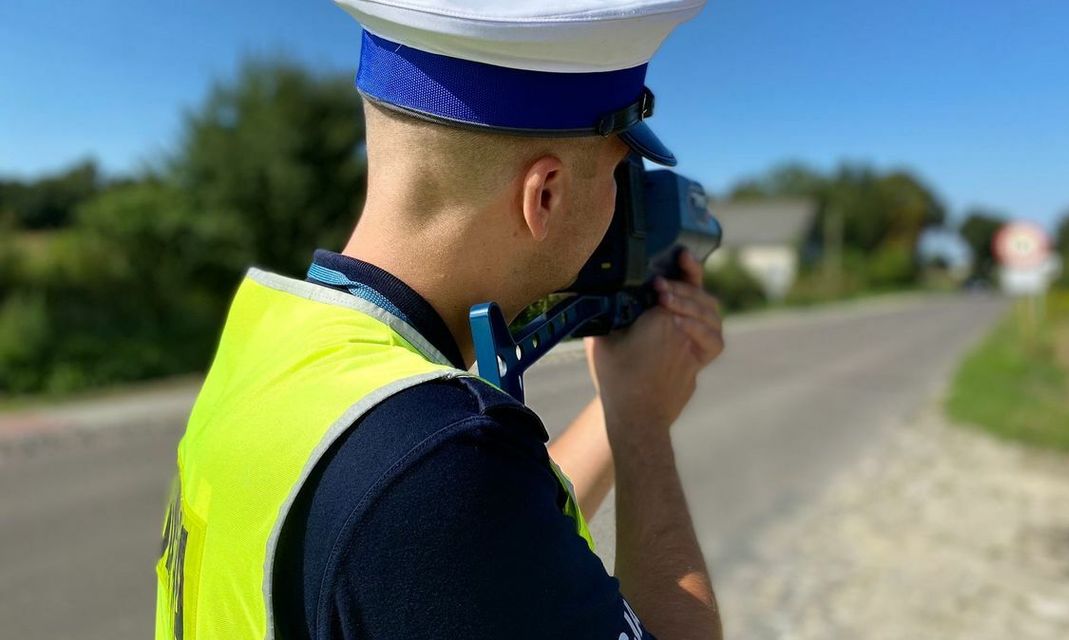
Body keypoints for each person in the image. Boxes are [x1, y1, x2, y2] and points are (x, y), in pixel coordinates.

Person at [155, 1, 723, 638]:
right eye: (621, 170)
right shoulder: (436, 466)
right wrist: (642, 424)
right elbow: (446, 505)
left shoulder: (279, 344)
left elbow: (486, 547)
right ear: (546, 193)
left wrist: (623, 396)